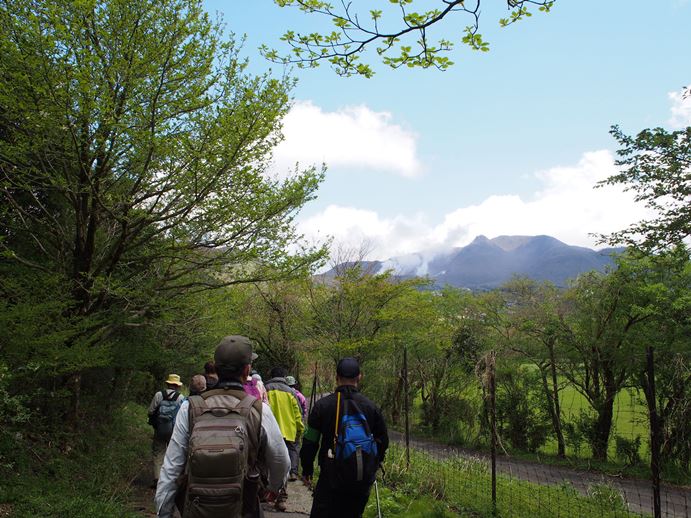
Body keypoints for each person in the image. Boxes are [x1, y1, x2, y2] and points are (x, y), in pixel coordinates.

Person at [155, 336, 290, 518]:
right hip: (244, 508)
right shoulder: (259, 410)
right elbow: (281, 460)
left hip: (197, 508)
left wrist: (164, 512)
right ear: (247, 370)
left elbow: (172, 467)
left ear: (216, 369)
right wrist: (273, 488)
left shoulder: (190, 407)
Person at [300, 357, 389, 518]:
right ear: (359, 377)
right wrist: (372, 465)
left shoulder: (322, 406)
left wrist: (307, 469)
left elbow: (310, 441)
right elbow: (383, 440)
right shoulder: (371, 407)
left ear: (336, 377)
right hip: (360, 479)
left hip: (330, 478)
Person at [265, 367, 305, 506]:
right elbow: (297, 413)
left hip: (270, 432)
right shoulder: (291, 392)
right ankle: (281, 497)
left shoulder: (265, 389)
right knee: (284, 466)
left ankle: (266, 493)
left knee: (267, 464)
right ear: (284, 377)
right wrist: (299, 429)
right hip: (288, 433)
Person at [147, 374, 185, 488]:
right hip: (174, 430)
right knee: (173, 454)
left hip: (159, 429)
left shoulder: (159, 395)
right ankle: (170, 479)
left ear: (167, 384)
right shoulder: (181, 397)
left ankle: (157, 479)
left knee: (158, 452)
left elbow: (150, 411)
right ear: (177, 386)